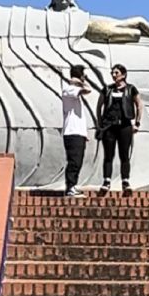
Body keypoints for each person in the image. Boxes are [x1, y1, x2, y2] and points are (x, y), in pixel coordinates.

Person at [96, 64, 143, 197]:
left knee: (124, 155)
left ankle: (125, 182)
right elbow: (99, 105)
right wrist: (100, 123)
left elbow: (139, 104)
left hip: (125, 125)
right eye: (112, 73)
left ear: (123, 74)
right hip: (109, 125)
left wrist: (137, 123)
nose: (114, 75)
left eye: (116, 73)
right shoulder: (107, 89)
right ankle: (106, 181)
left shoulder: (131, 89)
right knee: (108, 155)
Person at [62, 65, 92, 197]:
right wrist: (80, 81)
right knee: (74, 161)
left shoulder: (74, 90)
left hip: (78, 133)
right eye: (84, 75)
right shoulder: (68, 89)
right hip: (71, 131)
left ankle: (73, 185)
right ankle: (70, 187)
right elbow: (87, 90)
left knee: (78, 160)